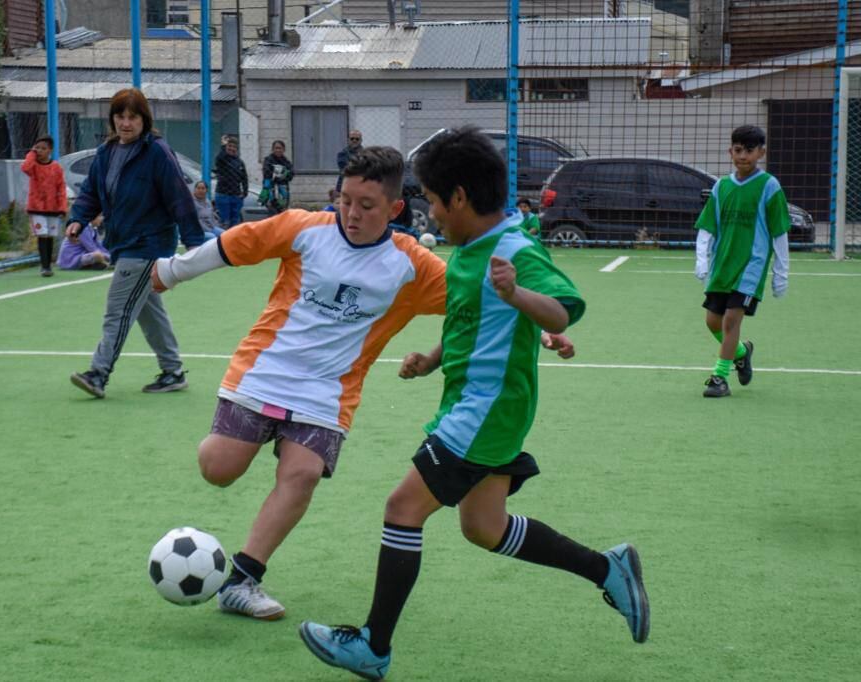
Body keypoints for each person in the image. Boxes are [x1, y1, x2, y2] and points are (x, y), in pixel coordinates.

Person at [149, 146, 574, 623]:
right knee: (218, 468)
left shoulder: (411, 264)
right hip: (264, 370)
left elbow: (475, 302)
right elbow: (235, 244)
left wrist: (540, 329)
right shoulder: (304, 228)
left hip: (328, 393)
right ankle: (239, 460)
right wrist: (171, 271)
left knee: (302, 474)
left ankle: (243, 578)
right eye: (345, 200)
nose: (352, 213)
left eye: (367, 206)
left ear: (394, 210)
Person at [298, 127, 648, 681]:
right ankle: (608, 569)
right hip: (474, 405)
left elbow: (562, 310)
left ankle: (373, 646)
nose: (430, 213)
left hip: (484, 412)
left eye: (434, 201)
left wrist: (519, 297)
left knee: (401, 509)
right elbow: (473, 319)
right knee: (484, 528)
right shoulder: (468, 250)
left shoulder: (513, 249)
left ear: (459, 197)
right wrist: (434, 358)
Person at [66, 87, 202, 399]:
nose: (126, 123)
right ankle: (173, 371)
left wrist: (195, 242)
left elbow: (178, 196)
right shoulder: (106, 152)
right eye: (120, 117)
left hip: (148, 245)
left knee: (117, 309)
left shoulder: (156, 152)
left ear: (144, 120)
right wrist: (78, 218)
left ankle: (98, 374)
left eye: (133, 117)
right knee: (146, 310)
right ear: (112, 120)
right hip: (124, 243)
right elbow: (91, 192)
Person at [695, 125, 790, 398]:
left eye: (750, 150)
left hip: (751, 267)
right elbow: (707, 227)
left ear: (761, 152)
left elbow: (779, 231)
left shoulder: (769, 186)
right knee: (712, 322)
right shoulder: (721, 186)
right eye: (738, 150)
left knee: (731, 321)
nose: (743, 155)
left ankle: (719, 378)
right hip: (722, 266)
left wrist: (781, 271)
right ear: (730, 151)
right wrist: (701, 258)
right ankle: (741, 352)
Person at [21, 135, 68, 276]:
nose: (40, 151)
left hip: (53, 207)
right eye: (37, 148)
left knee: (50, 236)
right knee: (42, 234)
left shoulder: (56, 167)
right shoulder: (33, 165)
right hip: (37, 207)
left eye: (43, 148)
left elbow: (61, 187)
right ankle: (45, 266)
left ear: (50, 150)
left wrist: (62, 206)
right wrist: (31, 154)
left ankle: (49, 264)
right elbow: (25, 168)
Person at [214, 137, 249, 228]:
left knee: (235, 222)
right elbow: (220, 156)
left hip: (236, 196)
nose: (231, 148)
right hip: (223, 194)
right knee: (224, 222)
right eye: (229, 146)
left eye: (234, 146)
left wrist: (244, 192)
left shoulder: (240, 162)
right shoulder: (221, 159)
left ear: (237, 149)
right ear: (225, 147)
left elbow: (244, 178)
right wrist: (223, 146)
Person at [260, 140, 295, 215]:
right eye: (276, 148)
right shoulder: (268, 160)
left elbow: (291, 175)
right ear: (272, 149)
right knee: (272, 215)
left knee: (283, 215)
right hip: (270, 194)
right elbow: (267, 173)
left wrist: (278, 175)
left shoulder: (286, 162)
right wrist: (282, 174)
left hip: (283, 194)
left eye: (280, 148)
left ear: (284, 150)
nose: (278, 150)